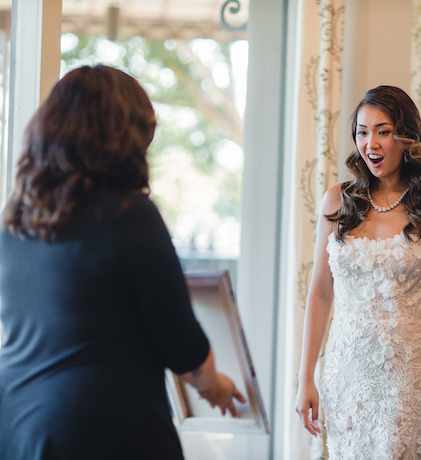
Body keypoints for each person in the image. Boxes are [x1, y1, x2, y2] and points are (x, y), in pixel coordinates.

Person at [0, 65, 246, 460]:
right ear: (126, 137)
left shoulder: (16, 220)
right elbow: (182, 347)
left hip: (14, 426)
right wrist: (213, 384)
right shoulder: (128, 215)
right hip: (103, 429)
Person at [295, 85, 421, 458]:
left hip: (408, 372)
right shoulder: (338, 199)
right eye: (362, 131)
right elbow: (321, 293)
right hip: (345, 370)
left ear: (405, 136)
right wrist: (305, 376)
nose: (371, 143)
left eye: (383, 131)